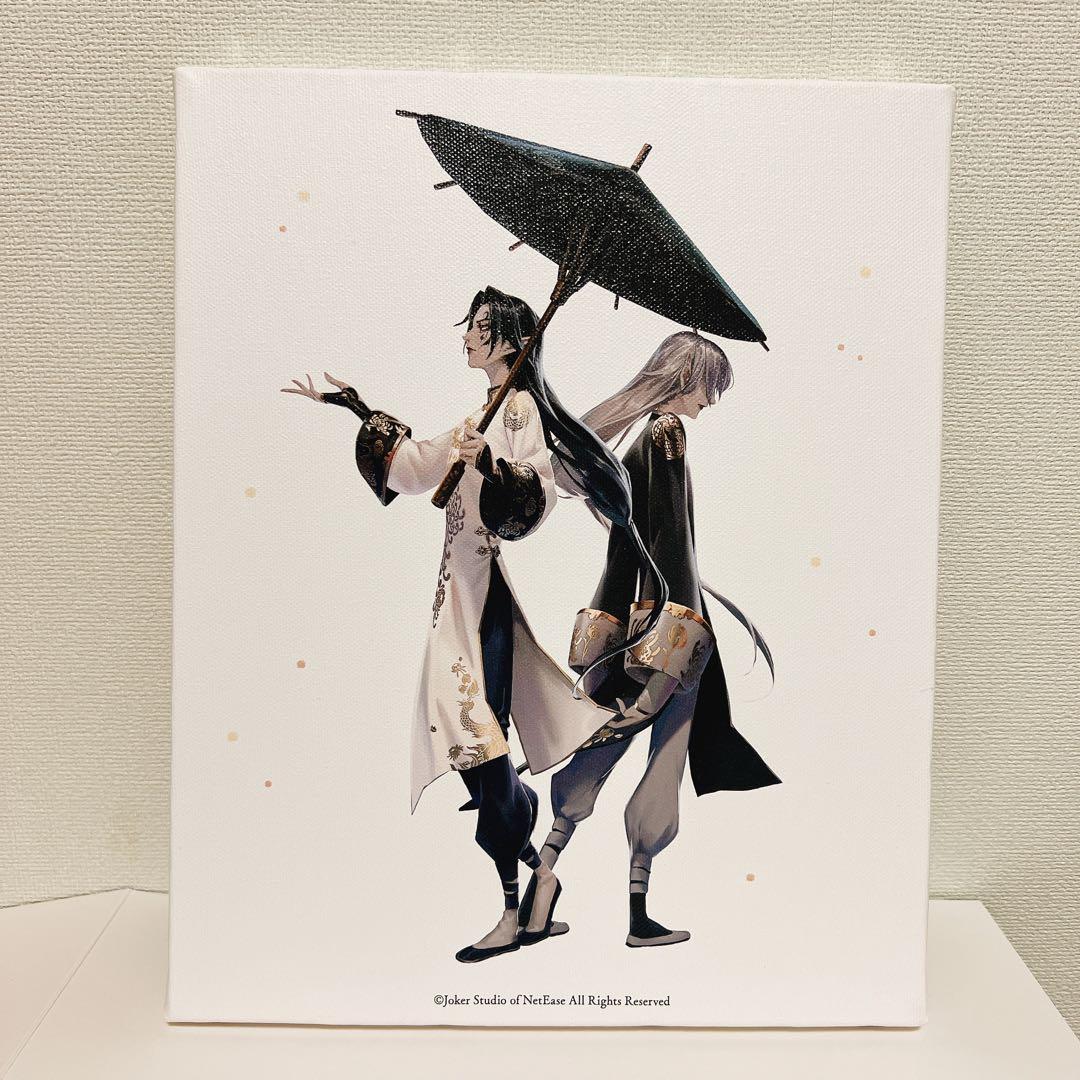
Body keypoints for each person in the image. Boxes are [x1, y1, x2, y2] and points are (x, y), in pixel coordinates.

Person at [282, 287, 665, 963]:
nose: (466, 336)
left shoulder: (518, 411)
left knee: (479, 752)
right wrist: (356, 407)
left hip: (480, 601)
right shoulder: (482, 413)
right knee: (470, 753)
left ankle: (514, 915)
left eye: (478, 328)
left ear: (508, 341)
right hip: (455, 600)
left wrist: (489, 463)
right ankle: (539, 873)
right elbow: (416, 465)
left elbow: (534, 493)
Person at [527, 330, 782, 948]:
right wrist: (676, 647)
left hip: (627, 620)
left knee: (599, 749)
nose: (710, 402)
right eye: (709, 386)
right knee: (664, 758)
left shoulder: (638, 438)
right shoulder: (667, 433)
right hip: (668, 628)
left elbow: (632, 547)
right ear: (685, 378)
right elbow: (673, 546)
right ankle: (639, 918)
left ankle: (538, 882)